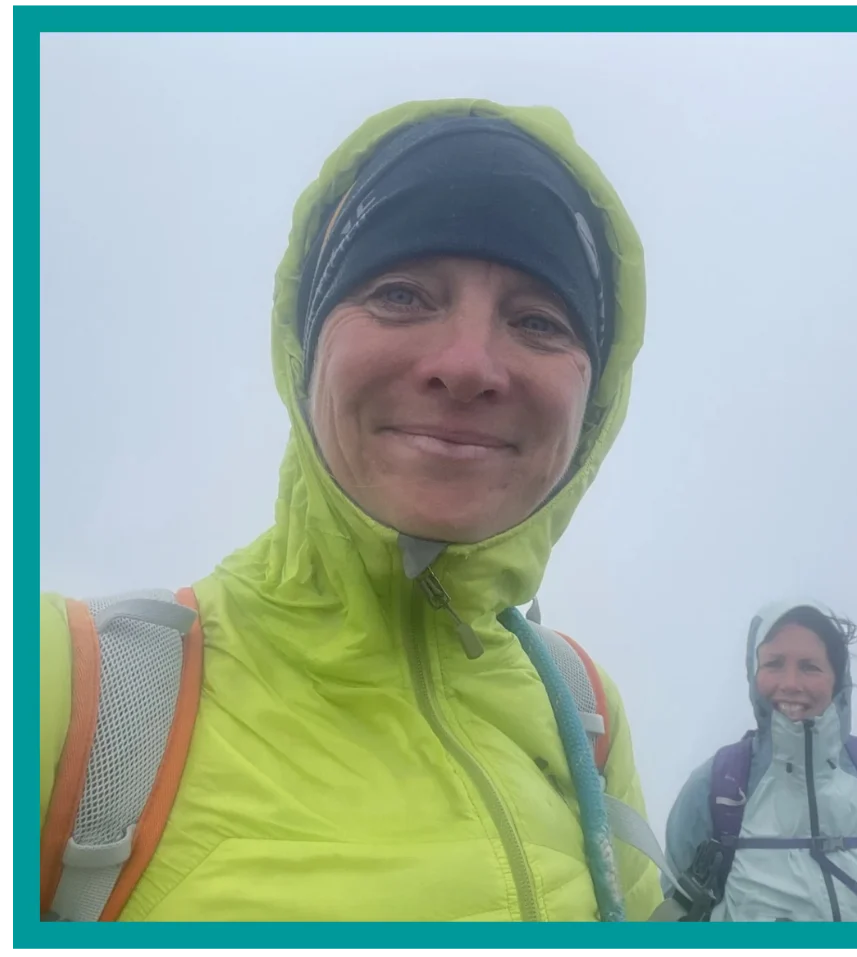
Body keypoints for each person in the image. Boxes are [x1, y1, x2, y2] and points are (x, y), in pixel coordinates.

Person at [38, 99, 663, 922]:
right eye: (402, 294)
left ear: (595, 400)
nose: (468, 364)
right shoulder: (73, 684)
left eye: (538, 321)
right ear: (305, 352)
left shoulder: (581, 710)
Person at [661, 599, 857, 922]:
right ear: (754, 674)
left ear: (838, 679)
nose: (791, 683)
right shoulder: (716, 785)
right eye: (774, 664)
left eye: (810, 666)